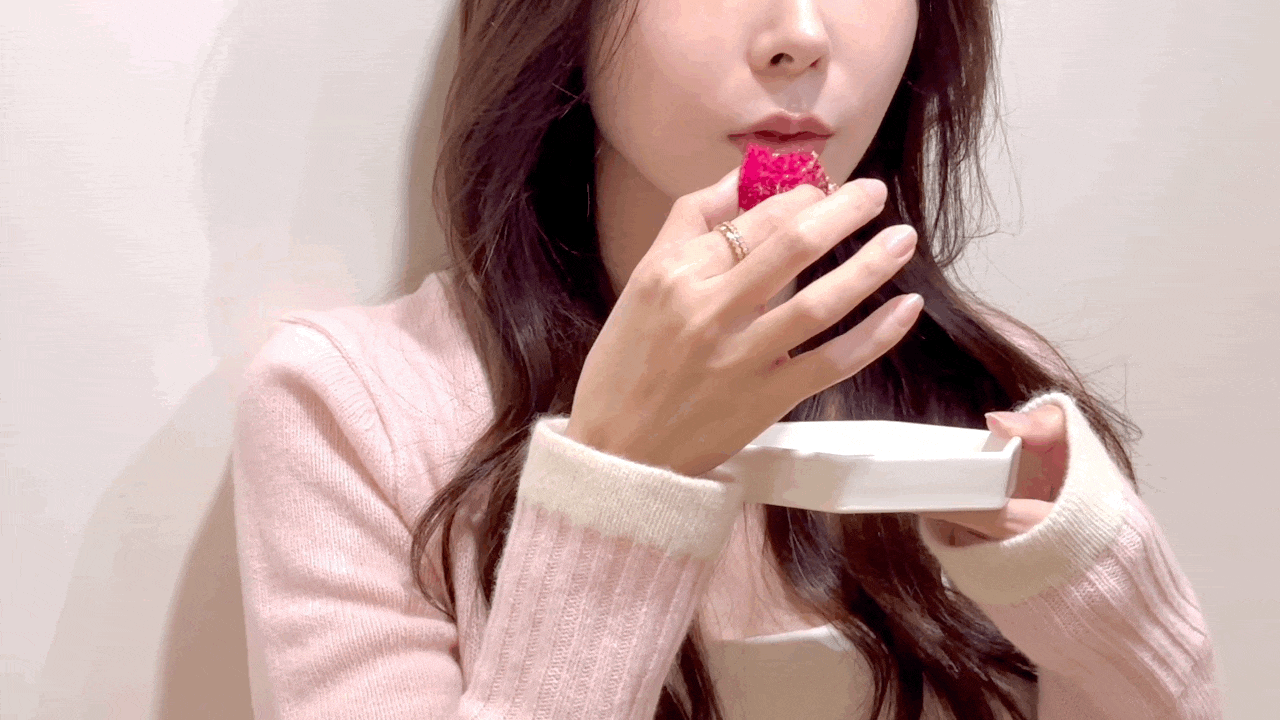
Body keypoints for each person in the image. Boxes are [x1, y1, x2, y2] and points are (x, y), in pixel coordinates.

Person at [230, 0, 1223, 718]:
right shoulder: (353, 410)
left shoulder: (990, 393)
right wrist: (620, 483)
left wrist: (1094, 572)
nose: (802, 34)